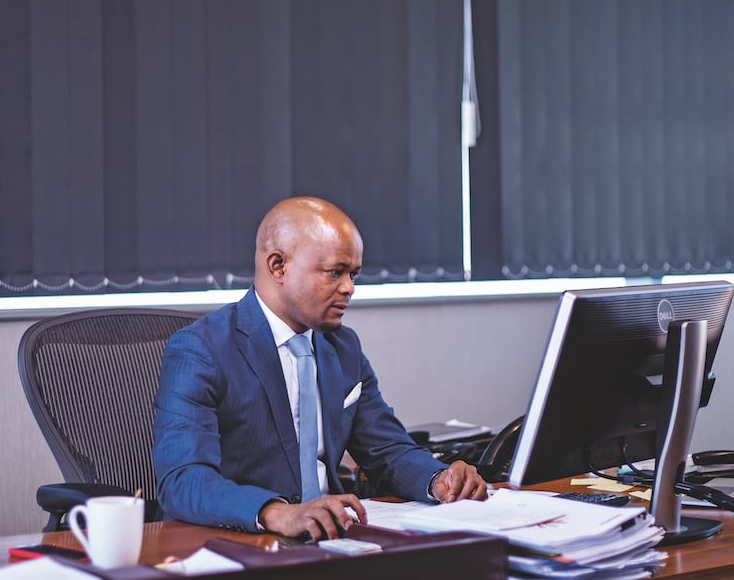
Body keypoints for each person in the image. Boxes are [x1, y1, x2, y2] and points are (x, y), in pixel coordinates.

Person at [152, 196, 487, 541]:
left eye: (353, 274)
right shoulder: (201, 348)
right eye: (335, 272)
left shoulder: (343, 347)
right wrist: (277, 512)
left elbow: (387, 450)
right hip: (242, 541)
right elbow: (182, 479)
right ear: (278, 266)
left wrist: (439, 480)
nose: (349, 288)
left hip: (332, 538)